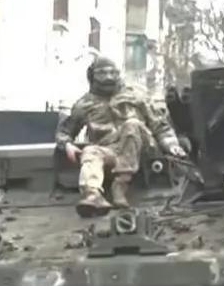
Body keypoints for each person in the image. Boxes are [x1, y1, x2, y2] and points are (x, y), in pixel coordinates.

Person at [56, 56, 187, 215]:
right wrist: (67, 145)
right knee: (90, 151)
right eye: (102, 73)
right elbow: (65, 131)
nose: (109, 77)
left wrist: (172, 145)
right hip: (111, 151)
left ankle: (121, 185)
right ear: (92, 76)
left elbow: (159, 125)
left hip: (144, 150)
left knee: (131, 125)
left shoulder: (136, 95)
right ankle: (92, 194)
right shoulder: (84, 104)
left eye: (113, 72)